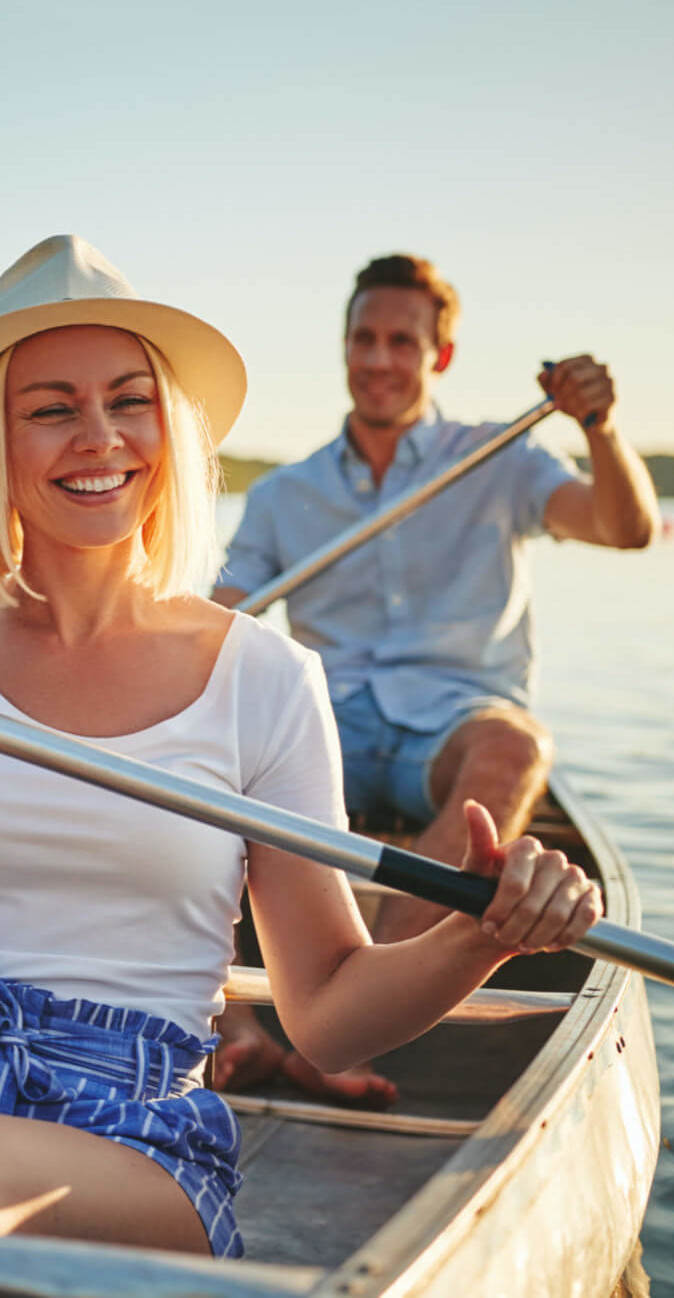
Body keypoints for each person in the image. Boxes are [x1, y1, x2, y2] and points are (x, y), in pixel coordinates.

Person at [0, 236, 601, 1298]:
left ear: (171, 422)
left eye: (129, 399)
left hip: (132, 1132)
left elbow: (330, 1008)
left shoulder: (265, 677)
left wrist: (478, 935)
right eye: (52, 407)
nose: (101, 437)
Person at [212, 252, 658, 1094]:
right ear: (345, 348)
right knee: (208, 739)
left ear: (438, 357)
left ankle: (349, 1018)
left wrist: (598, 428)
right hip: (330, 725)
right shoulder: (286, 494)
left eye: (402, 342)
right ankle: (231, 1020)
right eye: (364, 339)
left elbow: (625, 528)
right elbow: (223, 617)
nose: (379, 359)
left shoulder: (502, 458)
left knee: (517, 750)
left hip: (454, 727)